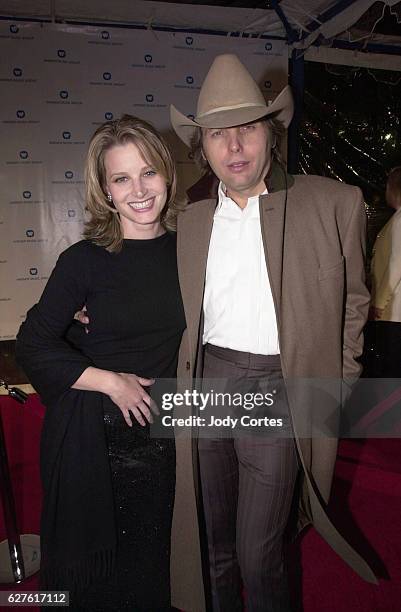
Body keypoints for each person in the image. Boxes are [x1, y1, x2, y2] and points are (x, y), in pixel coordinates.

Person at [170, 53, 378, 611]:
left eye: (247, 129)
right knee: (211, 545)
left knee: (259, 553)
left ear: (271, 132)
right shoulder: (186, 220)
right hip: (206, 386)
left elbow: (356, 306)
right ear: (203, 145)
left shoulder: (334, 203)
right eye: (218, 133)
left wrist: (336, 384)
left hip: (277, 388)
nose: (234, 147)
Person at [16, 115, 191, 611]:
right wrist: (110, 382)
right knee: (97, 578)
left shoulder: (194, 251)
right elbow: (33, 342)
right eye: (121, 178)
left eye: (148, 172)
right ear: (106, 190)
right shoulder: (84, 260)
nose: (138, 190)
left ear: (166, 175)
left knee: (156, 566)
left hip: (169, 436)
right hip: (98, 442)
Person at [369, 166, 401, 377]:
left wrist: (378, 303)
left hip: (394, 311)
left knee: (393, 371)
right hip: (394, 311)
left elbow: (397, 262)